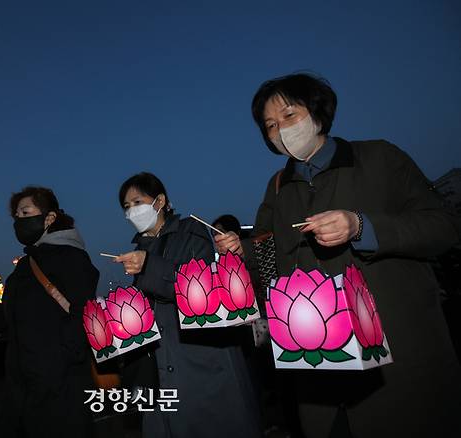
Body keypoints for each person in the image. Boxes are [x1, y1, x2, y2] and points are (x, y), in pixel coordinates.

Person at [215, 73, 461, 438]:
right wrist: (241, 247)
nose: (281, 130)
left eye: (289, 115)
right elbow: (268, 250)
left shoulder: (379, 157)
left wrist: (363, 227)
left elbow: (445, 226)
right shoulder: (278, 186)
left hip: (399, 363)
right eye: (270, 126)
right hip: (319, 375)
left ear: (317, 111)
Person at [114, 172, 261, 438]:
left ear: (159, 201)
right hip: (161, 368)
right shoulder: (142, 247)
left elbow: (198, 288)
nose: (131, 211)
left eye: (137, 202)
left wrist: (149, 264)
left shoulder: (190, 232)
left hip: (201, 360)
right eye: (126, 207)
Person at [0, 186, 99, 438]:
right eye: (16, 216)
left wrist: (59, 360)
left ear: (49, 218)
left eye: (25, 211)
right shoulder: (26, 264)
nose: (19, 220)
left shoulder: (72, 257)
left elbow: (83, 313)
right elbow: (15, 312)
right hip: (20, 382)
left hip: (60, 385)